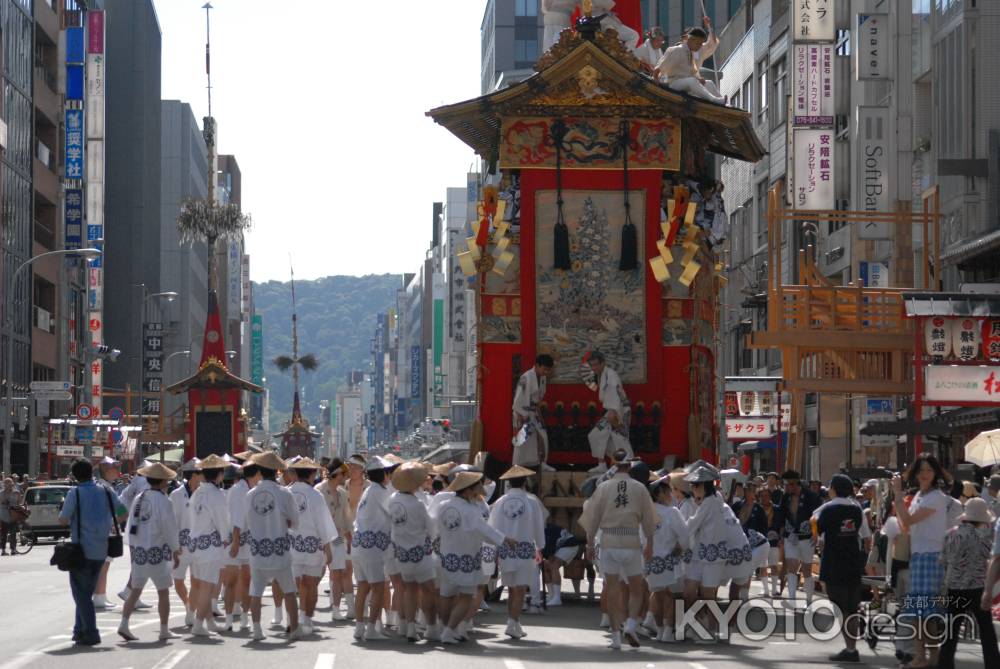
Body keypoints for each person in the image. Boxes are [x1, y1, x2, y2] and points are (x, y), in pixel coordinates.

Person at [579, 450, 657, 649]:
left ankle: (615, 635)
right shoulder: (639, 488)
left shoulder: (604, 487)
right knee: (636, 588)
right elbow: (649, 520)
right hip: (631, 541)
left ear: (614, 463)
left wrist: (589, 545)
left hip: (609, 541)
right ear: (629, 465)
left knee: (612, 589)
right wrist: (650, 544)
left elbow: (592, 519)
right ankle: (631, 623)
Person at [891, 453, 957, 669]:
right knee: (919, 612)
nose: (925, 474)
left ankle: (931, 656)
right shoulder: (920, 495)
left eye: (929, 470)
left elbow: (907, 520)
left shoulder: (936, 496)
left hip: (931, 555)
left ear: (936, 472)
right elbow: (906, 525)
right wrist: (899, 498)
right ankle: (923, 655)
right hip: (919, 554)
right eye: (921, 470)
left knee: (926, 611)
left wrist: (898, 495)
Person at [435, 471, 515, 645]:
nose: (481, 488)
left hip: (447, 556)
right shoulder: (470, 509)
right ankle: (449, 631)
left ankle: (444, 628)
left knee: (446, 595)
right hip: (466, 557)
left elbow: (436, 528)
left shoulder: (444, 505)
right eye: (478, 485)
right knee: (465, 596)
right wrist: (504, 540)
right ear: (469, 489)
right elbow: (485, 531)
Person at [57, 458, 126, 646]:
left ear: (74, 476)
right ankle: (78, 630)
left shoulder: (75, 493)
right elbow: (123, 512)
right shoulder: (106, 490)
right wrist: (108, 525)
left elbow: (63, 520)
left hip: (81, 550)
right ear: (92, 472)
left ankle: (91, 632)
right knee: (85, 592)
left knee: (81, 594)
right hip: (102, 548)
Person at [234, 451, 302, 641]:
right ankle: (294, 628)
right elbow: (295, 520)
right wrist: (286, 523)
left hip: (257, 549)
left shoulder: (250, 494)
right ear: (277, 471)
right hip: (279, 549)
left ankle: (256, 629)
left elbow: (245, 522)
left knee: (256, 591)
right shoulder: (284, 493)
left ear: (260, 471)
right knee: (289, 590)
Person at [683, 462, 752, 642]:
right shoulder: (712, 501)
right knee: (691, 591)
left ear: (703, 486)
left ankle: (711, 628)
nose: (692, 489)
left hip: (714, 556)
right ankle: (703, 623)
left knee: (707, 595)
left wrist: (675, 532)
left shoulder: (711, 503)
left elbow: (692, 524)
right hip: (700, 553)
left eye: (694, 486)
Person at [117, 462, 181, 642]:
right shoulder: (163, 500)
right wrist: (176, 549)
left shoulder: (139, 497)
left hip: (140, 551)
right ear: (162, 482)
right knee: (163, 592)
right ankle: (163, 629)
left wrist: (135, 547)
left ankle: (123, 623)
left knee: (135, 590)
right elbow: (169, 527)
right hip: (157, 552)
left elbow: (132, 525)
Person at [937, 497, 997, 669]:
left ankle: (945, 665)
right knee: (986, 632)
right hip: (977, 588)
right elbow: (990, 560)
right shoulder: (984, 538)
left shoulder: (949, 535)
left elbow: (943, 560)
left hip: (954, 589)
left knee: (951, 633)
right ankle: (993, 664)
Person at [489, 465, 547, 639]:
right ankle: (513, 622)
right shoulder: (532, 501)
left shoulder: (500, 502)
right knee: (520, 588)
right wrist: (540, 546)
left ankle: (513, 622)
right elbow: (539, 525)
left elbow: (493, 527)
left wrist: (496, 548)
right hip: (524, 548)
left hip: (506, 549)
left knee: (512, 587)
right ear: (524, 483)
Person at [815, 474, 867, 663]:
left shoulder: (827, 509)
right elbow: (863, 533)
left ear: (834, 489)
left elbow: (815, 527)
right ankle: (852, 648)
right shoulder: (857, 509)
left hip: (833, 563)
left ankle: (850, 648)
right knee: (852, 608)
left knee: (840, 607)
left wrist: (818, 538)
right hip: (853, 562)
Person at [287, 457, 336, 636]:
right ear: (312, 473)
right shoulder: (316, 495)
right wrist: (328, 547)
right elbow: (323, 523)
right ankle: (306, 619)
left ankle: (293, 618)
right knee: (311, 584)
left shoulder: (286, 492)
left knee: (293, 584)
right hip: (312, 544)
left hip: (291, 544)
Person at [387, 462, 436, 642]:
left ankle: (409, 627)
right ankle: (430, 627)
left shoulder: (392, 500)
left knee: (409, 590)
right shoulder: (418, 504)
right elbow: (431, 529)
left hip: (401, 552)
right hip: (420, 553)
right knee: (428, 590)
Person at [185, 453, 232, 637]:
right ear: (219, 475)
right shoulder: (216, 494)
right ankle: (198, 624)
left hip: (196, 544)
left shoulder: (197, 492)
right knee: (207, 587)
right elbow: (223, 521)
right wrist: (226, 537)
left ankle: (209, 622)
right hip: (210, 545)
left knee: (201, 584)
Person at [351, 455, 393, 641]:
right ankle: (371, 629)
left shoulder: (369, 491)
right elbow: (395, 514)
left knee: (362, 587)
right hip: (373, 547)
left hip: (359, 544)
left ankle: (359, 627)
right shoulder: (381, 492)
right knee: (377, 587)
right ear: (384, 474)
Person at [645, 474, 689, 643]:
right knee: (669, 595)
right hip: (668, 560)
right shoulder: (672, 512)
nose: (671, 495)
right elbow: (684, 537)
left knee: (656, 594)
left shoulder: (646, 512)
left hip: (650, 561)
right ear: (659, 494)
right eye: (667, 492)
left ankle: (660, 631)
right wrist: (680, 548)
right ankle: (667, 632)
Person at [654, 17, 724, 104]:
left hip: (691, 84)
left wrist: (709, 27)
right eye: (697, 43)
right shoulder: (676, 50)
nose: (699, 46)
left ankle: (724, 103)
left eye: (701, 43)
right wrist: (657, 85)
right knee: (691, 80)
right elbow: (659, 69)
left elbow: (712, 43)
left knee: (708, 83)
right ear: (688, 39)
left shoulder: (698, 51)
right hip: (675, 83)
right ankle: (714, 100)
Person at [316, 458, 353, 621]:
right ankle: (304, 608)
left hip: (337, 536)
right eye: (344, 474)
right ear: (338, 474)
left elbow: (346, 518)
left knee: (338, 571)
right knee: (315, 573)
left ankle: (337, 608)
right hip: (319, 538)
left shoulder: (343, 493)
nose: (346, 477)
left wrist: (349, 538)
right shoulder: (318, 491)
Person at [777, 469, 822, 606]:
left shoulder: (811, 496)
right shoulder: (786, 497)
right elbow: (781, 516)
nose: (786, 488)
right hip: (790, 537)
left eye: (788, 485)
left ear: (794, 483)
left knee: (807, 569)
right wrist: (780, 535)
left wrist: (816, 534)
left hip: (807, 537)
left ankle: (808, 600)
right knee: (791, 567)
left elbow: (817, 517)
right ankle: (792, 598)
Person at [222, 461, 255, 632]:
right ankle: (229, 618)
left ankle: (244, 616)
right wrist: (235, 542)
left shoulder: (248, 489)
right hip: (236, 539)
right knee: (232, 581)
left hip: (247, 541)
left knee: (247, 580)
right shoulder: (238, 491)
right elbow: (236, 519)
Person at [170, 457, 203, 626]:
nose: (203, 476)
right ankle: (188, 604)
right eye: (200, 473)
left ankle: (191, 612)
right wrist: (173, 546)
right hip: (180, 545)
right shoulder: (176, 495)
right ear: (193, 475)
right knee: (178, 579)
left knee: (197, 580)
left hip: (198, 544)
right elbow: (171, 521)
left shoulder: (204, 493)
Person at [93, 456, 128, 610]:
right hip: (107, 532)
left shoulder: (95, 486)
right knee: (104, 565)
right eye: (116, 468)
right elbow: (123, 511)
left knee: (100, 565)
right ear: (107, 470)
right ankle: (100, 596)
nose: (118, 472)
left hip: (94, 531)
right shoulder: (108, 489)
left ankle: (100, 595)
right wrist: (114, 523)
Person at [587, 351, 632, 463]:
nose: (594, 367)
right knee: (595, 435)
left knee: (620, 439)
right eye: (592, 365)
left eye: (596, 364)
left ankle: (628, 464)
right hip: (611, 411)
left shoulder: (610, 376)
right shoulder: (603, 374)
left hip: (618, 412)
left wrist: (615, 422)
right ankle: (603, 464)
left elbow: (614, 398)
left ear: (603, 363)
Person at [512, 354, 554, 470]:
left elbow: (538, 399)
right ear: (536, 365)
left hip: (533, 411)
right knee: (522, 442)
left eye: (548, 370)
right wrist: (521, 416)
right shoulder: (526, 378)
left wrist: (538, 413)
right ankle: (516, 467)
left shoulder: (542, 377)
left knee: (542, 436)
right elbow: (518, 399)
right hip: (522, 412)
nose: (546, 372)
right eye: (544, 369)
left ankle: (542, 463)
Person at [0, 477, 22, 555]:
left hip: (13, 515)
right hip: (4, 516)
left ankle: (13, 549)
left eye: (10, 484)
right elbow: (2, 501)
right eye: (7, 484)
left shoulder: (16, 492)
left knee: (13, 533)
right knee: (4, 534)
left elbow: (19, 502)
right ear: (5, 485)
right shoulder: (1, 493)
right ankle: (3, 550)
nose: (9, 486)